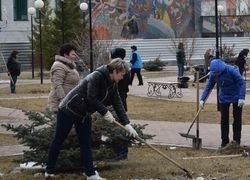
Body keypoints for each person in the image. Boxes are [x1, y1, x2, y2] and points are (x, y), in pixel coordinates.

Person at [45, 58, 138, 179]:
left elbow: (118, 104)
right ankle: (49, 171)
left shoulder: (113, 85)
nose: (122, 78)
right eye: (121, 75)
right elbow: (91, 97)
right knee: (59, 139)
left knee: (85, 143)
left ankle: (90, 174)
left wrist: (127, 124)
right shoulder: (96, 76)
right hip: (68, 109)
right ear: (115, 71)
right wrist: (105, 112)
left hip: (84, 113)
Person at [199, 59, 246, 148]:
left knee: (237, 118)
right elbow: (209, 86)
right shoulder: (213, 74)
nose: (217, 75)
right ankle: (224, 142)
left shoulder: (231, 70)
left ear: (222, 69)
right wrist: (202, 99)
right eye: (215, 73)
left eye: (218, 73)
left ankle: (236, 142)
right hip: (224, 97)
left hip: (236, 95)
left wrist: (241, 98)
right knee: (224, 119)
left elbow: (242, 83)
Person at [48, 43, 80, 114]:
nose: (75, 56)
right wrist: (64, 101)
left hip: (70, 102)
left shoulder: (70, 66)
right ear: (66, 55)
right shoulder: (59, 66)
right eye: (73, 54)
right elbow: (58, 85)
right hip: (60, 104)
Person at [110, 47, 130, 160]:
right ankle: (122, 152)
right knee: (121, 127)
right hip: (122, 101)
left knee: (117, 129)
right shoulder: (125, 69)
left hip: (117, 103)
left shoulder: (117, 71)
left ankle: (120, 153)